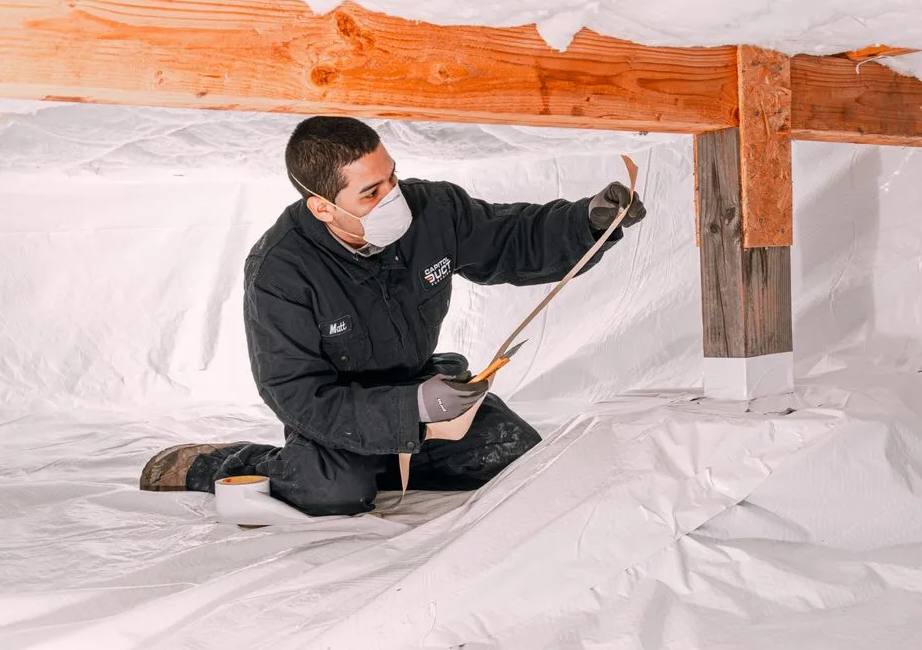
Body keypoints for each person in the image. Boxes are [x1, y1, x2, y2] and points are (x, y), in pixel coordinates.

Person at [140, 117, 645, 516]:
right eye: (370, 193)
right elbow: (295, 394)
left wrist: (587, 222)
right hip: (341, 415)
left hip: (425, 388)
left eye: (391, 178)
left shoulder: (433, 210)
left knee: (514, 458)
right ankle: (228, 464)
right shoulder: (280, 271)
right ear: (322, 209)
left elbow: (510, 239)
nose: (393, 197)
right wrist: (409, 410)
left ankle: (381, 460)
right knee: (334, 495)